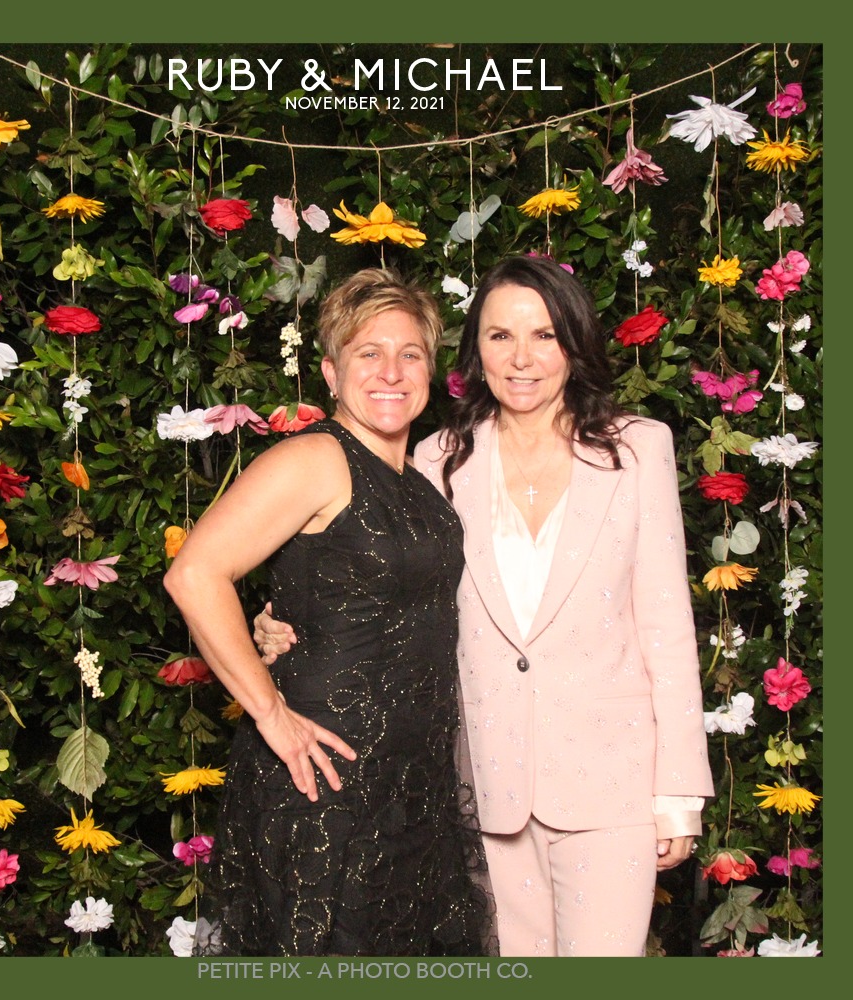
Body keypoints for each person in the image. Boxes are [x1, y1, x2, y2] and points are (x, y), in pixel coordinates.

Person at [256, 256, 714, 957]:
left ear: (574, 344)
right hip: (482, 785)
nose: (521, 358)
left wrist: (677, 793)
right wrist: (285, 620)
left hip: (612, 785)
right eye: (500, 336)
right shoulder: (436, 458)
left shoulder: (638, 449)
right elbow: (381, 579)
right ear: (475, 351)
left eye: (544, 335)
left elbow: (666, 626)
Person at [163, 267, 494, 957]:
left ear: (431, 372)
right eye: (368, 352)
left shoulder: (418, 481)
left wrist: (278, 616)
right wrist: (270, 712)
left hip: (411, 787)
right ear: (331, 374)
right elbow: (194, 573)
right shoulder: (315, 457)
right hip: (324, 782)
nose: (391, 372)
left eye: (410, 354)